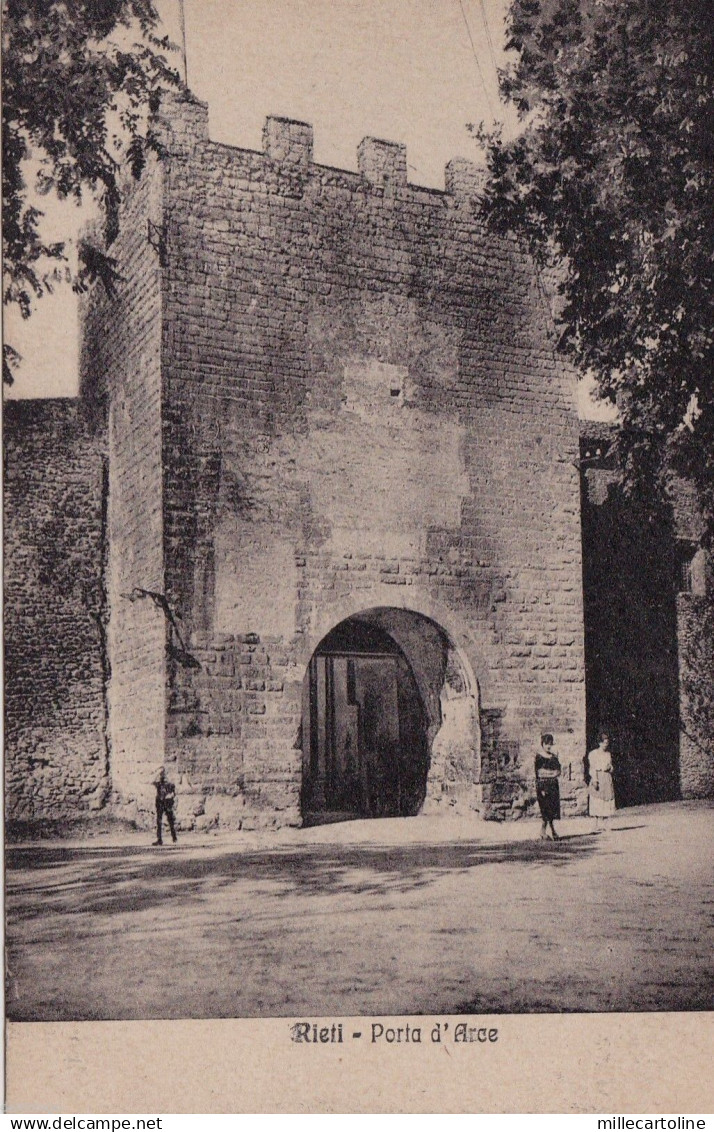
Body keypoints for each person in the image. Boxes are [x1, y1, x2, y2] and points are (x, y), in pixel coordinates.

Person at [535, 732, 561, 840]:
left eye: (550, 744)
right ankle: (551, 831)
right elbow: (539, 773)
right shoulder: (539, 757)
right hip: (543, 786)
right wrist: (550, 774)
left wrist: (549, 773)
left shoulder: (554, 757)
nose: (549, 746)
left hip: (553, 786)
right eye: (546, 744)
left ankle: (545, 831)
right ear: (543, 744)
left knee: (552, 809)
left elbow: (558, 772)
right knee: (546, 809)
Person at [588, 732, 616, 829]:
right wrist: (595, 780)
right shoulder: (593, 754)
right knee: (597, 800)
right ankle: (595, 825)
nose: (605, 745)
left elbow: (611, 767)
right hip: (598, 777)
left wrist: (610, 768)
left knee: (606, 800)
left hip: (606, 778)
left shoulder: (608, 754)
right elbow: (592, 768)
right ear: (599, 743)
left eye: (607, 743)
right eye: (604, 743)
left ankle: (606, 824)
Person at [152, 766, 178, 846]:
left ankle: (174, 837)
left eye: (162, 774)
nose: (161, 776)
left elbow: (174, 793)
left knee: (170, 820)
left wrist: (170, 797)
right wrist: (157, 773)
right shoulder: (159, 783)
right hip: (160, 802)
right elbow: (152, 781)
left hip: (167, 802)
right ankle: (159, 839)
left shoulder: (169, 783)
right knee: (159, 821)